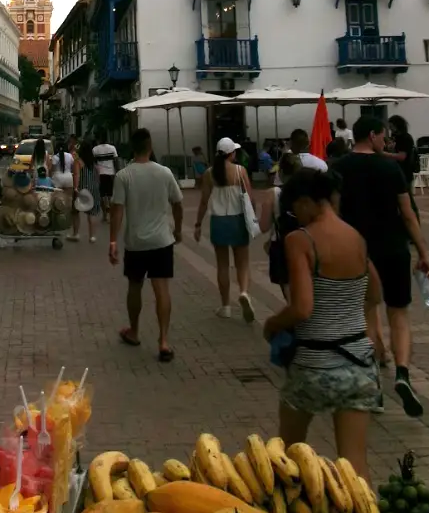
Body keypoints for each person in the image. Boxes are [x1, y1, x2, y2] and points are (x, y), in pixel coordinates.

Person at [262, 168, 382, 479]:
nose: (295, 217)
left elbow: (302, 308)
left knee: (287, 455)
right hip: (359, 364)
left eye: (294, 209)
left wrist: (273, 323)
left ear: (306, 202)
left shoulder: (300, 240)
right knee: (354, 464)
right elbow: (375, 292)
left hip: (314, 364)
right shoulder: (356, 237)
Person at [332, 116, 429, 417]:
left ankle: (374, 383)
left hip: (359, 254)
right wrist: (423, 252)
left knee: (368, 316)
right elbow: (408, 214)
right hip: (394, 250)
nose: (386, 142)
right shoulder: (391, 168)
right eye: (384, 137)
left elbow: (334, 214)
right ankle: (402, 372)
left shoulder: (338, 168)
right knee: (399, 314)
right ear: (372, 136)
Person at [109, 128, 184, 362]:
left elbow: (117, 211)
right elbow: (178, 204)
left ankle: (134, 331)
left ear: (133, 148)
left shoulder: (124, 176)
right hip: (162, 240)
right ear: (151, 147)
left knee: (135, 286)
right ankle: (163, 341)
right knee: (161, 289)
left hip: (136, 242)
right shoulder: (165, 173)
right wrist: (178, 229)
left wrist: (113, 240)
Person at [193, 138, 256, 322]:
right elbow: (250, 198)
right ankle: (244, 292)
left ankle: (226, 306)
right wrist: (253, 219)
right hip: (238, 220)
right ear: (232, 153)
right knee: (242, 263)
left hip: (218, 221)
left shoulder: (209, 173)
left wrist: (197, 224)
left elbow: (204, 201)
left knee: (222, 265)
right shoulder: (240, 171)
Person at [259, 153, 302, 301]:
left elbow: (264, 226)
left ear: (281, 172)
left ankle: (295, 315)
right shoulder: (308, 192)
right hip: (306, 240)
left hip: (281, 244)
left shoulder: (274, 193)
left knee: (287, 283)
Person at [385, 115, 419, 220]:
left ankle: (414, 220)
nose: (390, 128)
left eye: (391, 126)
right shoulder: (395, 137)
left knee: (407, 199)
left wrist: (383, 154)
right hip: (396, 171)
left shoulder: (405, 138)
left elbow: (401, 156)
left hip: (405, 172)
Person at [69, 141, 101, 243]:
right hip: (94, 188)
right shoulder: (93, 162)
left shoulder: (78, 161)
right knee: (91, 213)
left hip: (82, 188)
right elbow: (98, 174)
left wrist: (75, 188)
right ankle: (92, 236)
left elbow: (76, 175)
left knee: (76, 211)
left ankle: (76, 234)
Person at [93, 135, 120, 222]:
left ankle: (105, 215)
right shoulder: (112, 148)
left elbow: (94, 163)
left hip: (100, 174)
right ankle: (111, 215)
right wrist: (118, 172)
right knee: (111, 195)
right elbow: (116, 161)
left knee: (101, 195)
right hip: (111, 174)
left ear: (99, 139)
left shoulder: (95, 149)